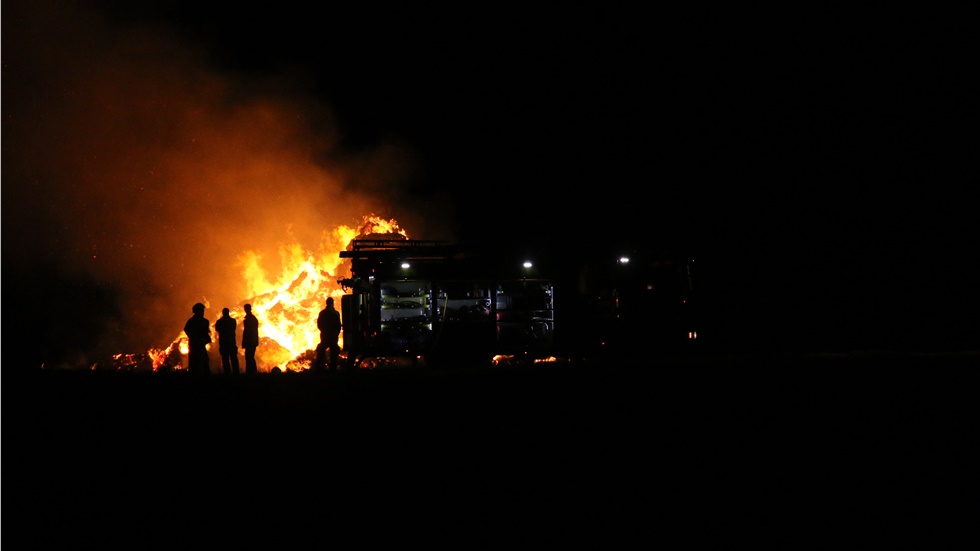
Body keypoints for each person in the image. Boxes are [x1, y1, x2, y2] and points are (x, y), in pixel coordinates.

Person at [315, 296, 342, 373]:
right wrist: (336, 333)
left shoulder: (322, 313)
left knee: (321, 351)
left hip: (325, 336)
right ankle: (332, 370)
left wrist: (324, 331)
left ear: (326, 303)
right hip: (333, 336)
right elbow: (338, 325)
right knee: (333, 353)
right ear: (332, 303)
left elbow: (319, 325)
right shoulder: (336, 313)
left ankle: (319, 369)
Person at [183, 302, 211, 375]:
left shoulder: (205, 321)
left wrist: (206, 338)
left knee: (204, 361)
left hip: (201, 345)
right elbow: (186, 329)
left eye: (202, 310)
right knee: (194, 362)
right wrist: (194, 337)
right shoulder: (192, 321)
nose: (202, 312)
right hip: (194, 345)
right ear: (196, 311)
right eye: (201, 310)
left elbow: (206, 332)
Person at [214, 307, 241, 375]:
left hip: (223, 343)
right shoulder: (232, 321)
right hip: (231, 342)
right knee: (233, 358)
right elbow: (234, 328)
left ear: (223, 313)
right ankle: (236, 373)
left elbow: (217, 329)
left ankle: (227, 373)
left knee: (225, 359)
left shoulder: (219, 322)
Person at [241, 303, 259, 375]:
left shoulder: (250, 318)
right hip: (251, 341)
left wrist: (247, 341)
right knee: (249, 357)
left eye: (246, 309)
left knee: (249, 357)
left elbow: (249, 331)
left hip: (250, 341)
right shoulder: (250, 318)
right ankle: (251, 372)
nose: (245, 310)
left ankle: (251, 373)